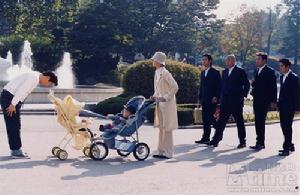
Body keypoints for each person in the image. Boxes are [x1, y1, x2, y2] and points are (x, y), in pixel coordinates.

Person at [1, 71, 58, 158]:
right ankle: (16, 151)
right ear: (48, 78)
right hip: (10, 98)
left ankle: (16, 150)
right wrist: (13, 104)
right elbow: (21, 90)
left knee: (14, 124)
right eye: (49, 83)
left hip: (9, 97)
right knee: (13, 125)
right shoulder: (33, 78)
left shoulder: (34, 76)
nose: (47, 85)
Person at [208, 54, 250, 148]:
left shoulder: (240, 71)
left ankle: (242, 141)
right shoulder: (224, 72)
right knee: (221, 121)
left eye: (228, 60)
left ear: (233, 61)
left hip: (236, 102)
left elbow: (246, 85)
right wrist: (219, 97)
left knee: (239, 122)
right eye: (226, 60)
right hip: (225, 101)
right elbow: (222, 86)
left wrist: (242, 95)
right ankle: (216, 140)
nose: (226, 62)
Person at [150, 51, 179, 159]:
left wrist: (165, 97)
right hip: (159, 104)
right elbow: (157, 89)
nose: (152, 61)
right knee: (161, 128)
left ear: (158, 61)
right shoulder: (157, 72)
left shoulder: (166, 73)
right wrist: (154, 96)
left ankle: (169, 152)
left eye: (154, 59)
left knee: (167, 129)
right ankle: (161, 151)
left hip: (167, 104)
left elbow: (175, 87)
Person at [250, 52, 277, 151]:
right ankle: (259, 142)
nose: (256, 61)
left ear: (264, 61)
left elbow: (273, 87)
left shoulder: (270, 71)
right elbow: (256, 84)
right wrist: (253, 84)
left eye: (258, 59)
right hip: (256, 99)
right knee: (257, 121)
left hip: (264, 100)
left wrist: (273, 101)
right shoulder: (256, 70)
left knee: (261, 121)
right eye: (256, 59)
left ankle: (261, 142)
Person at [195, 54, 221, 144]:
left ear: (210, 61)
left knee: (211, 119)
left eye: (205, 59)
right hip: (204, 100)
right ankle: (205, 138)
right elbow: (201, 87)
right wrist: (199, 99)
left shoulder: (215, 72)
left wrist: (216, 97)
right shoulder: (202, 72)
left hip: (212, 100)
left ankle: (219, 133)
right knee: (205, 120)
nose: (203, 61)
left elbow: (219, 86)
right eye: (203, 60)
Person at [277, 59, 300, 156]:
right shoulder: (282, 77)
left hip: (290, 107)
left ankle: (286, 148)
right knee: (283, 126)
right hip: (282, 106)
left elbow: (297, 94)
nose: (280, 68)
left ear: (287, 67)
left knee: (287, 127)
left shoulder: (294, 78)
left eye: (282, 66)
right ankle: (290, 144)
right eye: (280, 66)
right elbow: (281, 92)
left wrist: (297, 108)